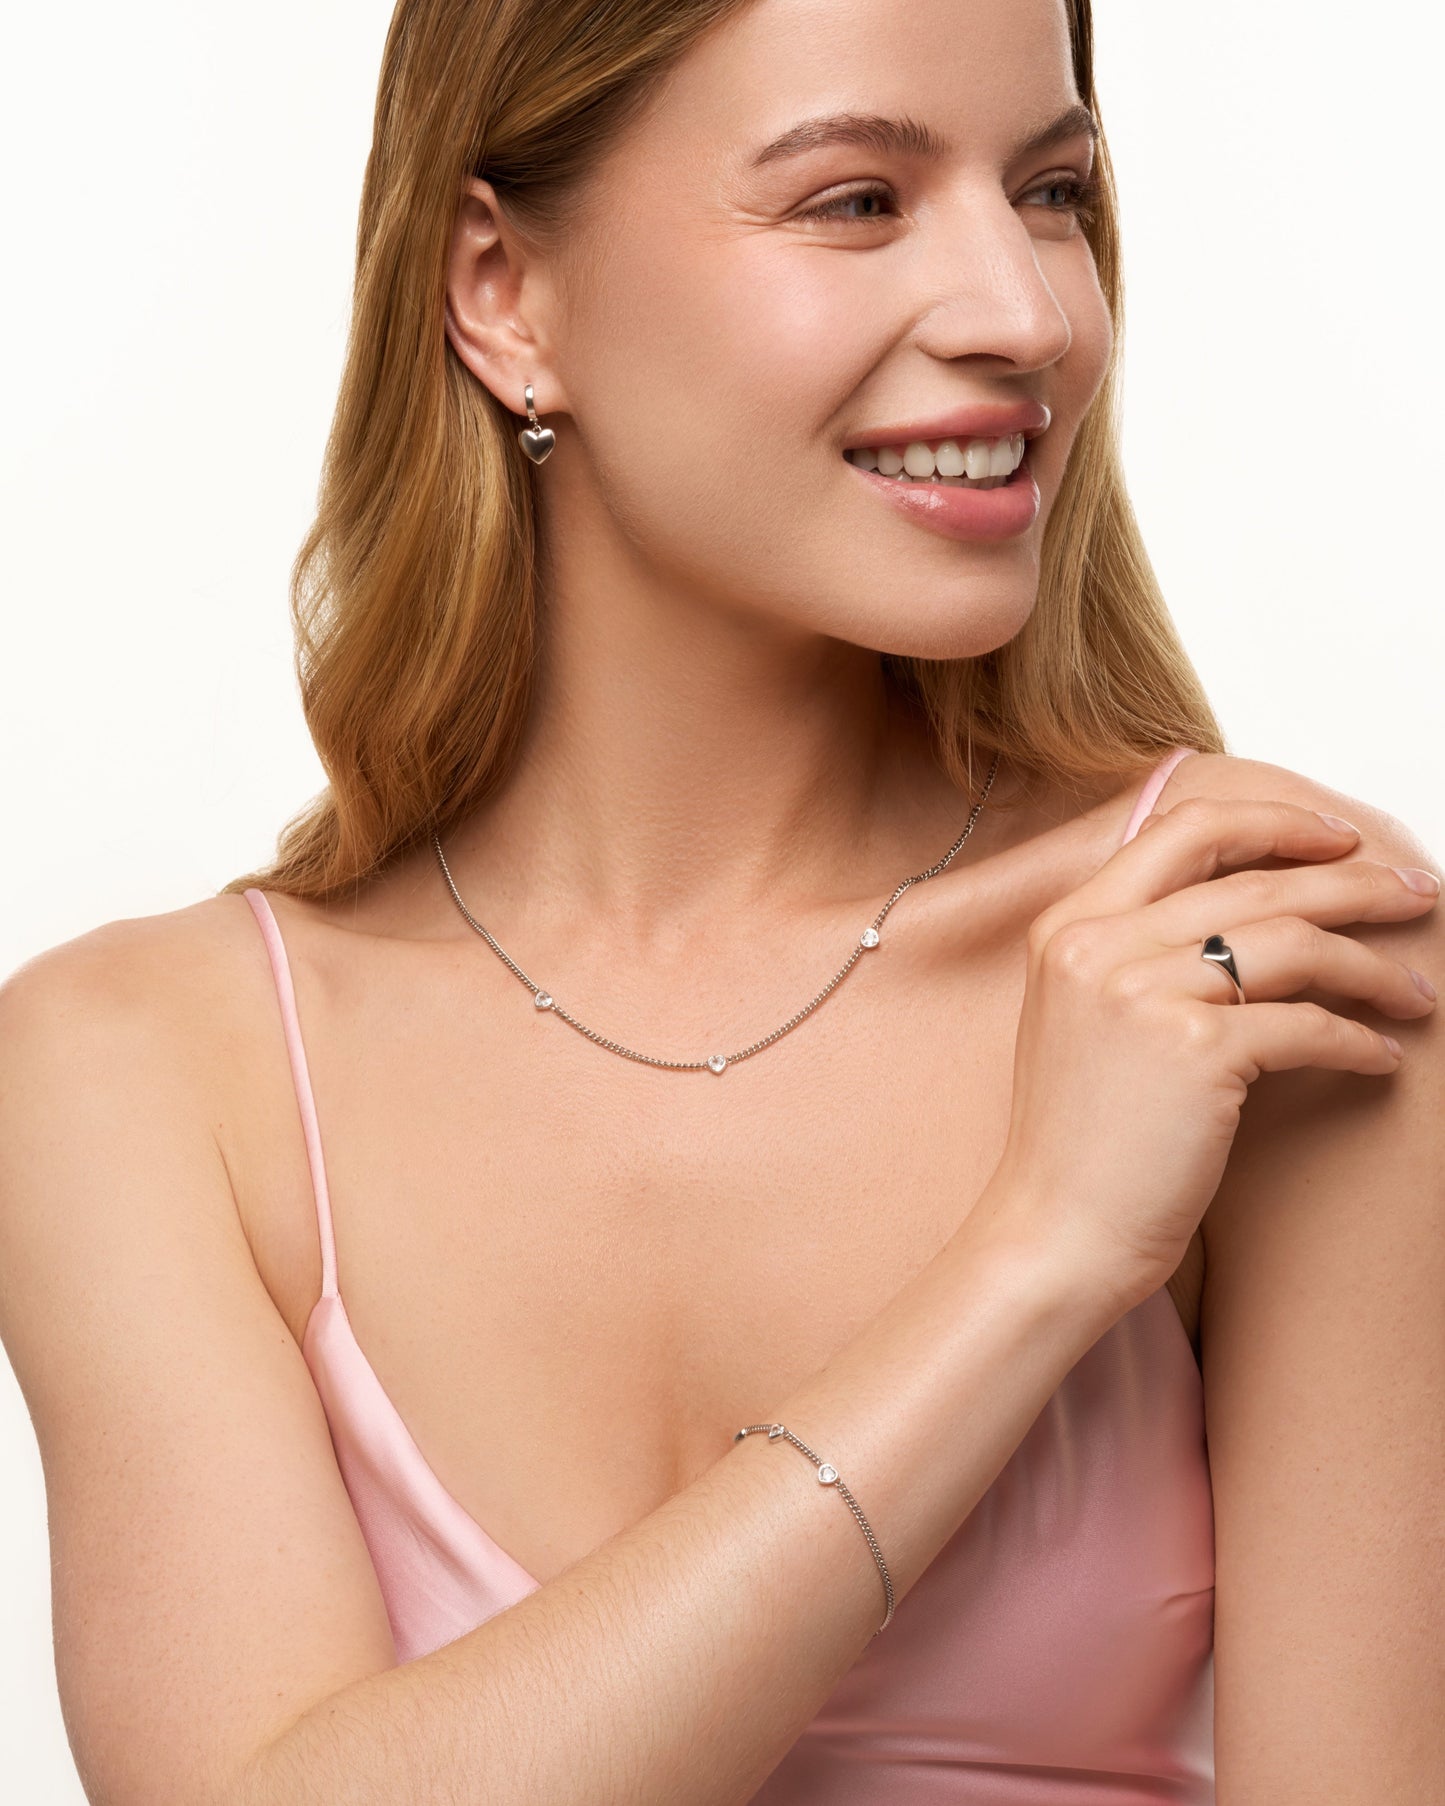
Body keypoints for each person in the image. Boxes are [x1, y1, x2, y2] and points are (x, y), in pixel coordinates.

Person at [1, 0, 1440, 1801]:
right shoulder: (144, 1071)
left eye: (1052, 191)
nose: (1024, 315)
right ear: (501, 293)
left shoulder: (1250, 949)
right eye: (856, 201)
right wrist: (1038, 1253)